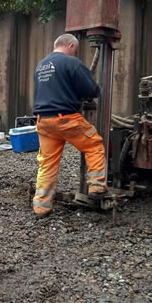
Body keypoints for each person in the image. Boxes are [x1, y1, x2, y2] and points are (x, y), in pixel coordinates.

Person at [32, 33, 108, 218]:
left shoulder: (41, 65)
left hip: (43, 120)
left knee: (47, 163)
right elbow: (91, 89)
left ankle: (41, 207)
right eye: (76, 49)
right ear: (71, 45)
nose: (76, 53)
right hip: (65, 119)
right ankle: (97, 187)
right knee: (94, 144)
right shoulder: (70, 62)